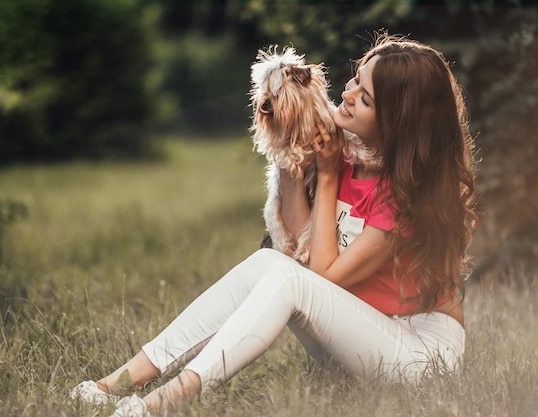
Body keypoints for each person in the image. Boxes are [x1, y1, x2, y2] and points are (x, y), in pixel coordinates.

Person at [70, 33, 477, 417]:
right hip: (362, 337)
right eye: (355, 78)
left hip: (420, 356)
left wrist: (330, 174)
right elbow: (297, 248)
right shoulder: (348, 152)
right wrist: (290, 146)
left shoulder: (407, 195)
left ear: (396, 121)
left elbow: (321, 277)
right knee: (271, 264)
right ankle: (116, 384)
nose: (348, 93)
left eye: (365, 97)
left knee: (288, 280)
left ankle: (165, 401)